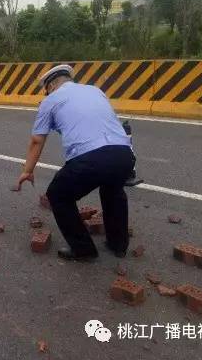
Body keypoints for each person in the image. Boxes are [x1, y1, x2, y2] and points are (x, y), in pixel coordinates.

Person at [16, 64, 135, 261]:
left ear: (51, 85)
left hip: (90, 158)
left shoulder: (50, 100)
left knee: (57, 195)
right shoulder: (95, 90)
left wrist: (27, 171)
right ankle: (118, 245)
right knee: (112, 190)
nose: (47, 93)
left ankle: (83, 250)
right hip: (123, 153)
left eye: (46, 89)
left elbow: (37, 140)